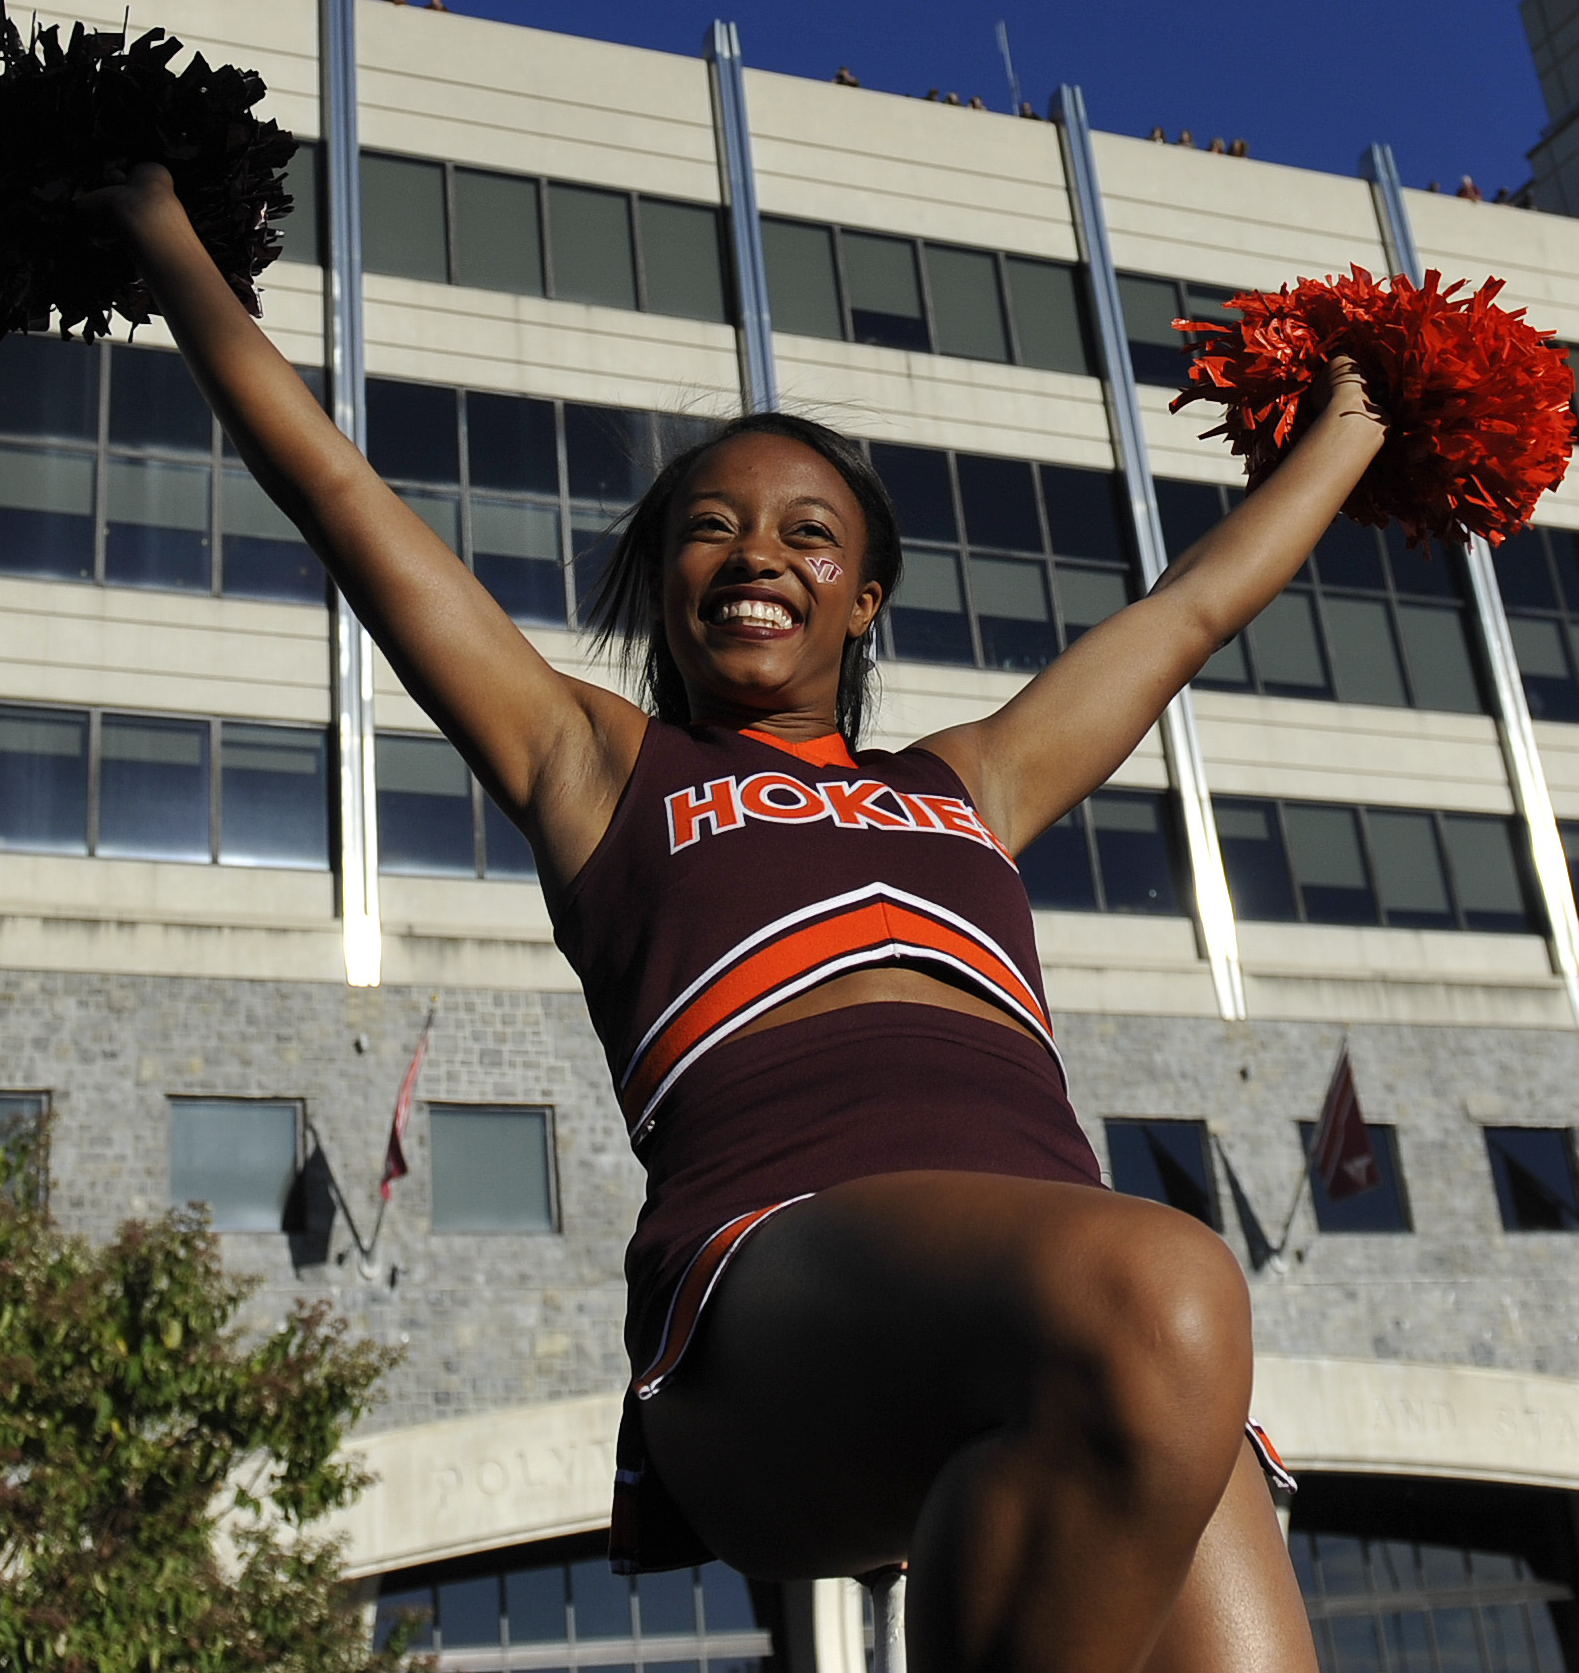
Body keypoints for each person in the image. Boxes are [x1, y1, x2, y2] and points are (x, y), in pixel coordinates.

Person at [80, 162, 1386, 1673]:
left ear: (866, 598)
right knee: (1167, 1286)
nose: (760, 551)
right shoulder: (600, 765)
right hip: (770, 1294)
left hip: (1066, 1324)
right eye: (713, 526)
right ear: (662, 579)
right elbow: (339, 489)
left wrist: (1363, 411)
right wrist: (160, 228)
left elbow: (1192, 610)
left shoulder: (971, 778)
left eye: (809, 532)